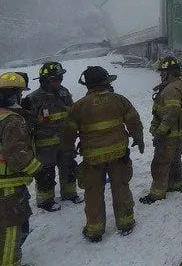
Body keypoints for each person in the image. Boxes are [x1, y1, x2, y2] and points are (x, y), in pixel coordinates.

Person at [62, 66, 144, 242]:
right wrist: (139, 138)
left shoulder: (78, 107)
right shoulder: (120, 100)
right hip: (118, 156)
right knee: (121, 187)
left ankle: (94, 230)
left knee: (93, 193)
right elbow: (134, 121)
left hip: (92, 159)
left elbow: (68, 133)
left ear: (88, 84)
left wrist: (68, 152)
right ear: (106, 81)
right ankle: (126, 222)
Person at [21, 61, 83, 212]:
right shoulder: (33, 99)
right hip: (44, 146)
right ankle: (45, 201)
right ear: (45, 80)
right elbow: (26, 126)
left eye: (60, 79)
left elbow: (73, 114)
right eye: (55, 79)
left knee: (69, 168)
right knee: (46, 173)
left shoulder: (64, 93)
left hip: (66, 142)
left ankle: (69, 194)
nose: (58, 82)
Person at [0, 72, 42, 266]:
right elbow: (17, 155)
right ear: (13, 95)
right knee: (12, 228)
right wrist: (37, 170)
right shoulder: (12, 121)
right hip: (8, 184)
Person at [140, 56, 182, 204]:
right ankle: (175, 184)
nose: (161, 74)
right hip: (175, 133)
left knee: (160, 162)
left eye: (163, 72)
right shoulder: (174, 85)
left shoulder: (172, 89)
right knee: (174, 160)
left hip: (169, 135)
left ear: (170, 72)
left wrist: (160, 133)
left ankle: (156, 194)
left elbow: (171, 114)